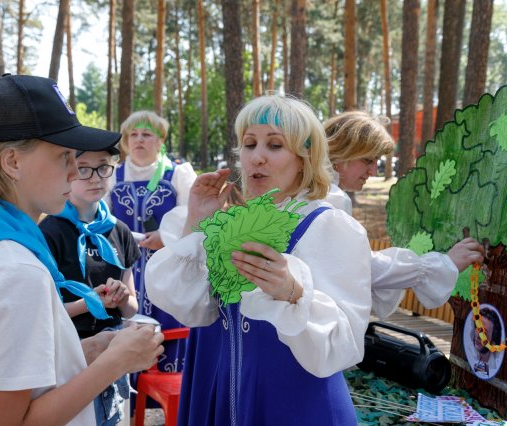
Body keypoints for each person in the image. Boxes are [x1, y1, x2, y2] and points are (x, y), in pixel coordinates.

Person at [0, 74, 164, 426]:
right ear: (12, 163)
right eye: (64, 156)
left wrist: (93, 349)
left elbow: (23, 380)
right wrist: (115, 364)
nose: (73, 172)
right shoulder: (15, 272)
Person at [145, 95, 372, 425]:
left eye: (275, 146)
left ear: (303, 158)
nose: (257, 158)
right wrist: (196, 223)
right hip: (224, 397)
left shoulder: (332, 227)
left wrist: (293, 292)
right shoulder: (231, 222)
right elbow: (190, 308)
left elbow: (344, 346)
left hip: (295, 406)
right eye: (249, 144)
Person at [324, 110, 485, 319]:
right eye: (367, 160)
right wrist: (443, 264)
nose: (373, 171)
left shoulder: (317, 193)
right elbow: (365, 268)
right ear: (340, 154)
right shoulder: (328, 200)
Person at [39, 147, 139, 425]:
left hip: (114, 352)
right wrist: (91, 302)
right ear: (68, 172)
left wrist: (120, 299)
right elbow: (44, 312)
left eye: (103, 167)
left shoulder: (120, 231)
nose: (95, 177)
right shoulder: (49, 232)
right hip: (70, 353)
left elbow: (132, 309)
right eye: (84, 169)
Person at [109, 111, 197, 374]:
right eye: (133, 135)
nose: (139, 140)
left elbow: (195, 219)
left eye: (146, 134)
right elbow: (99, 220)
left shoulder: (178, 175)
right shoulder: (113, 175)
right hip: (124, 271)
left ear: (160, 141)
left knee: (169, 338)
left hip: (168, 272)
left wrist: (167, 238)